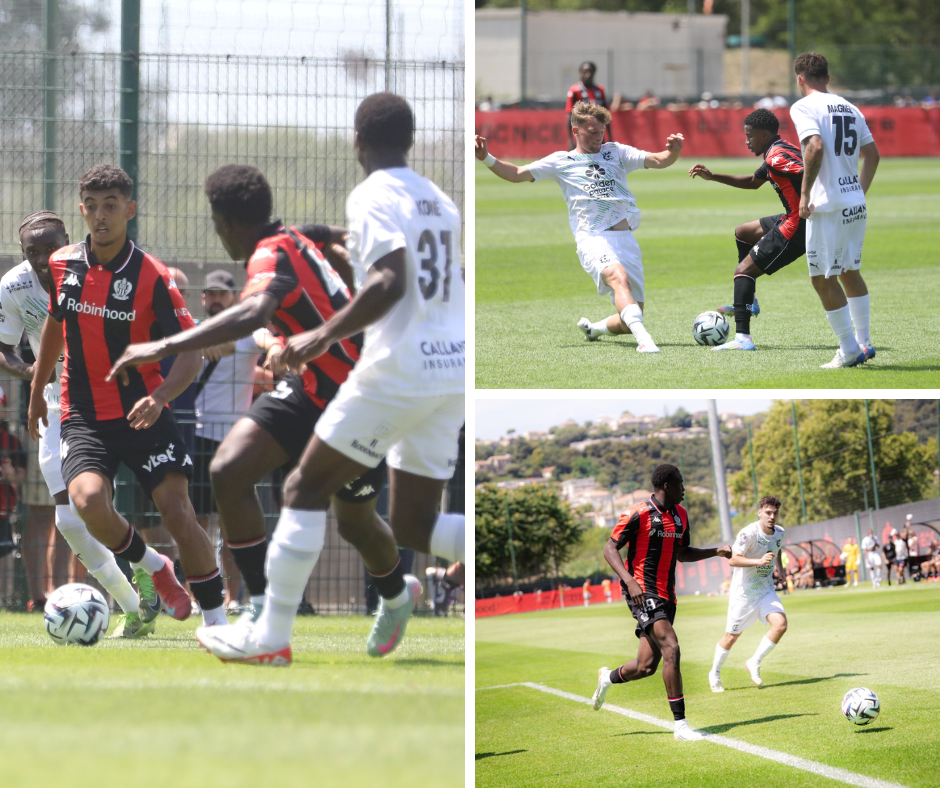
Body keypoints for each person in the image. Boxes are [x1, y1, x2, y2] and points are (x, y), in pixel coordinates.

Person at [143, 93, 463, 666]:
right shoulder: (438, 200)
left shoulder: (370, 194)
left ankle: (287, 629)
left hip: (386, 372)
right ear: (409, 140)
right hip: (447, 367)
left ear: (357, 141)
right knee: (411, 520)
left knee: (327, 504)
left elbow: (389, 280)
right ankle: (267, 612)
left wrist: (321, 336)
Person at [26, 165, 225, 630]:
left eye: (111, 206)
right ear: (81, 211)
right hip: (84, 414)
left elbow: (189, 352)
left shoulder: (152, 275)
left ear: (129, 211)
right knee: (88, 502)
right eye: (92, 207)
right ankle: (154, 567)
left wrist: (160, 396)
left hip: (143, 412)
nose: (101, 216)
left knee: (178, 513)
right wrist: (38, 389)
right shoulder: (63, 265)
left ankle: (217, 625)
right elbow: (58, 324)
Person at [2, 210, 158, 635]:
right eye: (32, 251)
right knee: (69, 521)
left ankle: (153, 572)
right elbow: (5, 350)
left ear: (69, 239)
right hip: (54, 403)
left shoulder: (100, 268)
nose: (41, 258)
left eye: (51, 247)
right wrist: (38, 376)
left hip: (111, 398)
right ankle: (136, 599)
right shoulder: (13, 286)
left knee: (165, 499)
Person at [476, 101, 685, 353]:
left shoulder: (616, 152)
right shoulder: (561, 161)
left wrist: (673, 152)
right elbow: (517, 173)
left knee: (631, 317)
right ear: (576, 131)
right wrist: (486, 157)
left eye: (602, 131)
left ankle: (594, 329)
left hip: (625, 240)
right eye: (593, 131)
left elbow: (657, 160)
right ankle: (645, 342)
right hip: (592, 238)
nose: (599, 136)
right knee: (619, 278)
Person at [590, 464, 731, 741]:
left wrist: (715, 551)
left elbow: (682, 553)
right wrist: (630, 581)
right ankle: (681, 727)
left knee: (646, 666)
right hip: (642, 591)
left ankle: (607, 678)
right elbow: (609, 548)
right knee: (672, 648)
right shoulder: (638, 512)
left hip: (668, 595)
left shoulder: (681, 515)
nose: (684, 489)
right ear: (666, 485)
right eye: (680, 483)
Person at [190, 268, 279, 608]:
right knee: (195, 522)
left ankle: (234, 597)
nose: (215, 300)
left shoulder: (249, 333)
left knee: (232, 524)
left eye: (222, 294)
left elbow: (265, 338)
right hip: (196, 435)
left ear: (234, 297)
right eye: (210, 294)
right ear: (203, 298)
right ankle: (198, 595)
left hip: (233, 442)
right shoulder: (194, 331)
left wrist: (272, 348)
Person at [790, 52, 879, 369]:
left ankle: (849, 349)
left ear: (800, 79)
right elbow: (873, 155)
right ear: (827, 78)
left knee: (822, 279)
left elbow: (814, 146)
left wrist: (804, 193)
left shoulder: (802, 106)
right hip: (854, 202)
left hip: (827, 206)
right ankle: (864, 342)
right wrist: (858, 191)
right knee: (849, 270)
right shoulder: (851, 107)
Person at [688, 109, 805, 350]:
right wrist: (713, 177)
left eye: (749, 135)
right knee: (743, 232)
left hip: (800, 223)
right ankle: (749, 299)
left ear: (764, 134)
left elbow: (809, 173)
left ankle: (743, 338)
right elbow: (753, 182)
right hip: (792, 216)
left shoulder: (777, 157)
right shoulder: (779, 148)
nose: (746, 140)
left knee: (743, 271)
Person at [708, 496, 787, 692]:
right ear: (759, 512)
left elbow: (777, 550)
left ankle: (754, 661)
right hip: (743, 594)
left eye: (775, 513)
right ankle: (715, 672)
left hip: (766, 591)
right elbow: (733, 560)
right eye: (768, 513)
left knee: (781, 624)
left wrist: (781, 571)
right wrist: (759, 561)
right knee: (731, 636)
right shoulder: (748, 533)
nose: (772, 517)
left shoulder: (779, 533)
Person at [565, 62, 610, 149]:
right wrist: (570, 139)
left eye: (590, 72)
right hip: (583, 134)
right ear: (580, 73)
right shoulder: (574, 91)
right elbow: (569, 115)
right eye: (585, 72)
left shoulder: (600, 90)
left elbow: (606, 116)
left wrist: (610, 137)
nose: (587, 75)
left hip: (598, 134)